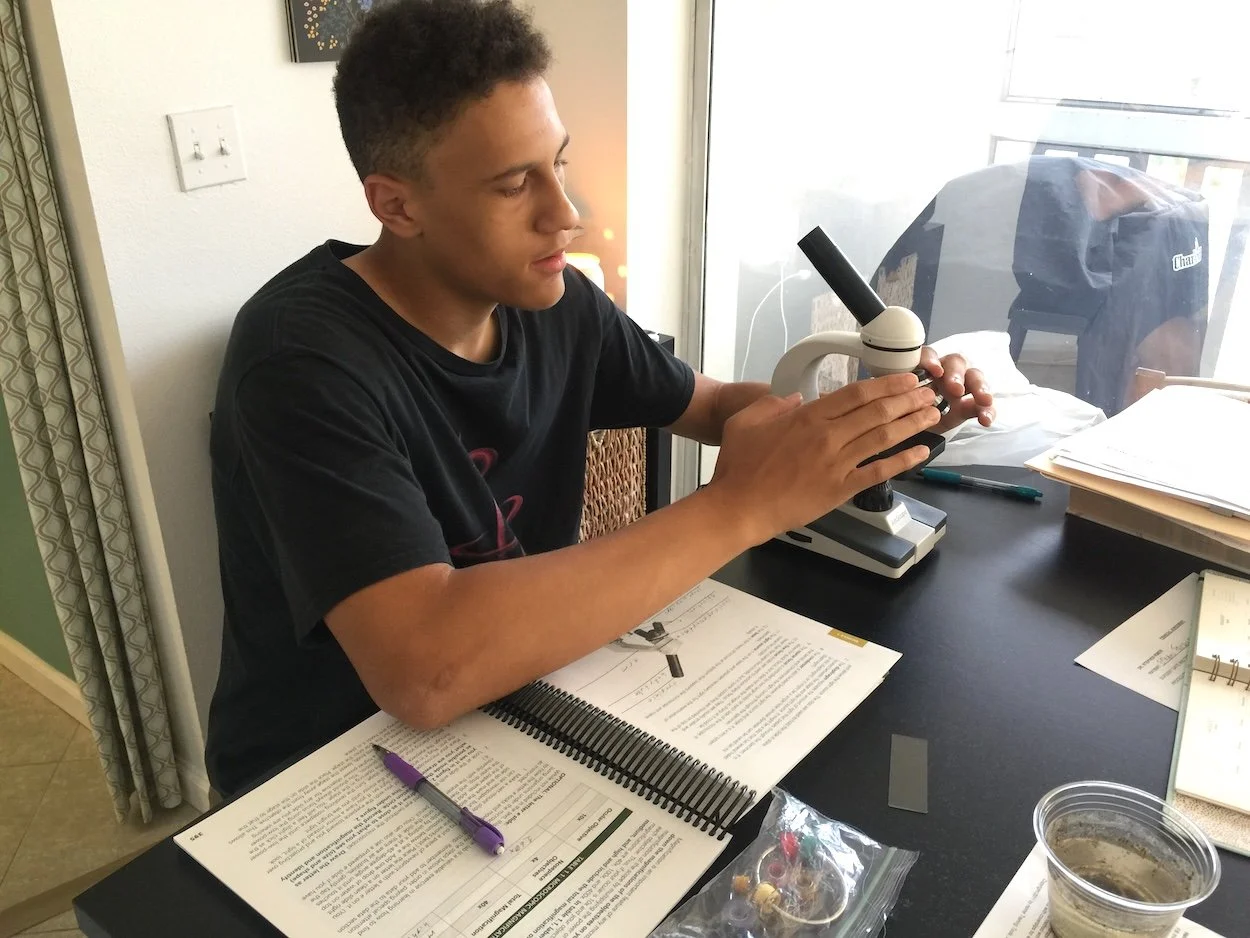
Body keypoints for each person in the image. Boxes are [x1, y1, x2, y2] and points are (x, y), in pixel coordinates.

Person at [203, 0, 994, 798]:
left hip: (515, 714)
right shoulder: (299, 361)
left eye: (560, 164)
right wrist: (737, 508)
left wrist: (877, 414)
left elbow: (714, 406)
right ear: (397, 204)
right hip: (324, 775)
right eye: (516, 185)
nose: (566, 215)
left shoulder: (553, 304)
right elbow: (424, 670)